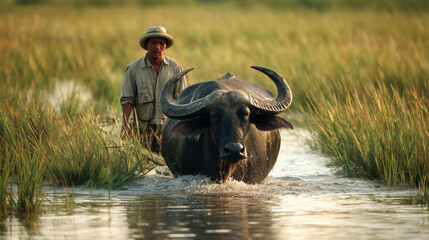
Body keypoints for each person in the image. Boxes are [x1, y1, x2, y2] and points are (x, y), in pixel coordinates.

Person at [120, 26, 187, 154]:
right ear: (146, 45)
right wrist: (125, 126)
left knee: (166, 166)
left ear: (166, 46)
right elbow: (127, 100)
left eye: (161, 43)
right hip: (141, 130)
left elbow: (182, 99)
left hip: (167, 129)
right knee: (140, 166)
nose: (157, 47)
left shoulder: (175, 67)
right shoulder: (133, 69)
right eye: (153, 43)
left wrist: (182, 127)